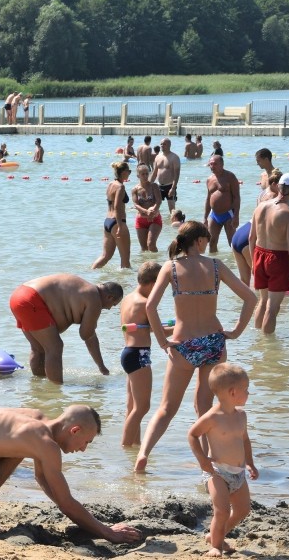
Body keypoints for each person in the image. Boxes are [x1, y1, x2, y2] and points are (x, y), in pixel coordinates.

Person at [0, 405, 141, 544]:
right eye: (86, 442)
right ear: (75, 430)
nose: (83, 449)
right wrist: (107, 532)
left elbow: (44, 480)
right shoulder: (44, 442)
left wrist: (65, 502)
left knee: (15, 452)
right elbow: (66, 502)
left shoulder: (36, 422)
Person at [134, 220, 256, 473]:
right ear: (199, 240)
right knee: (205, 406)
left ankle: (143, 454)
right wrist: (236, 331)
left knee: (167, 408)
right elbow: (251, 297)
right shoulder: (215, 265)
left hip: (183, 344)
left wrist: (161, 341)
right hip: (214, 342)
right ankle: (210, 462)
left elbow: (150, 307)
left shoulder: (171, 267)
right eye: (208, 240)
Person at [188, 363, 257, 558]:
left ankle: (215, 535)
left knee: (243, 509)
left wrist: (250, 462)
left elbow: (245, 440)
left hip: (239, 472)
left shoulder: (241, 415)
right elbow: (192, 435)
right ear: (233, 392)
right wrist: (202, 460)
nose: (248, 393)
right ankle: (216, 546)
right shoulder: (213, 417)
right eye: (246, 390)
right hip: (217, 471)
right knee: (222, 510)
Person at [9, 274, 123, 382]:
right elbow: (87, 334)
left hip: (18, 295)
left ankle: (39, 388)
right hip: (31, 299)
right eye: (113, 305)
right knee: (55, 347)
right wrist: (102, 367)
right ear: (109, 297)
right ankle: (55, 392)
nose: (109, 309)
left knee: (38, 348)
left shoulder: (85, 288)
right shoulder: (95, 299)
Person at [250, 173, 289, 334]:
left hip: (259, 254)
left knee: (263, 301)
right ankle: (268, 347)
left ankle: (257, 339)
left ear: (279, 187)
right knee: (273, 308)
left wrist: (254, 263)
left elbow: (251, 237)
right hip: (278, 259)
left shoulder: (261, 206)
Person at [119, 262, 168, 447]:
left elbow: (149, 328)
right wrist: (184, 327)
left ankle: (134, 446)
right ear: (153, 283)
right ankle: (126, 446)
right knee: (142, 407)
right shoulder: (146, 304)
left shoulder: (129, 299)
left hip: (128, 353)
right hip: (139, 354)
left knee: (132, 407)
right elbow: (161, 332)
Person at [232, 168, 282, 286]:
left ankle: (242, 305)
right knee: (266, 284)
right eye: (282, 186)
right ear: (275, 184)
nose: (283, 190)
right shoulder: (274, 197)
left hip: (240, 234)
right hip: (250, 237)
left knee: (244, 283)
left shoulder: (263, 193)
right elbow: (269, 224)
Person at [93, 161, 132, 269]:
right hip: (117, 222)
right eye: (129, 171)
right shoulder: (120, 187)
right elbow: (117, 206)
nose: (129, 173)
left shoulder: (110, 184)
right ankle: (125, 284)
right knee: (125, 261)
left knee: (105, 256)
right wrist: (120, 226)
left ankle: (90, 274)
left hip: (107, 222)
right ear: (123, 172)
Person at [204, 155, 241, 253]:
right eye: (211, 164)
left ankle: (235, 266)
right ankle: (213, 266)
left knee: (232, 243)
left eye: (215, 164)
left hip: (228, 214)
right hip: (214, 215)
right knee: (211, 242)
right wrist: (205, 218)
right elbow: (208, 199)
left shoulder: (230, 177)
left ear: (222, 164)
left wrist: (236, 216)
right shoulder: (209, 179)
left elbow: (236, 197)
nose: (212, 166)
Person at [131, 163, 163, 252]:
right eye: (143, 174)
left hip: (155, 218)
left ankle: (157, 264)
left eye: (147, 174)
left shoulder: (154, 186)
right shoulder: (135, 189)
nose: (145, 176)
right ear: (138, 175)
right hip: (141, 220)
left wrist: (153, 211)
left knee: (151, 244)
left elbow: (159, 201)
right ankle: (146, 264)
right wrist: (146, 211)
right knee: (144, 248)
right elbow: (136, 204)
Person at [149, 138, 180, 213]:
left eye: (164, 144)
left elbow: (177, 174)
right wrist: (148, 185)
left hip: (169, 186)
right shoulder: (157, 157)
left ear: (169, 145)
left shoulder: (174, 157)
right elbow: (154, 173)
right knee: (153, 207)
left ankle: (172, 224)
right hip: (159, 186)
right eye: (161, 144)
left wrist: (173, 188)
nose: (162, 145)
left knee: (172, 210)